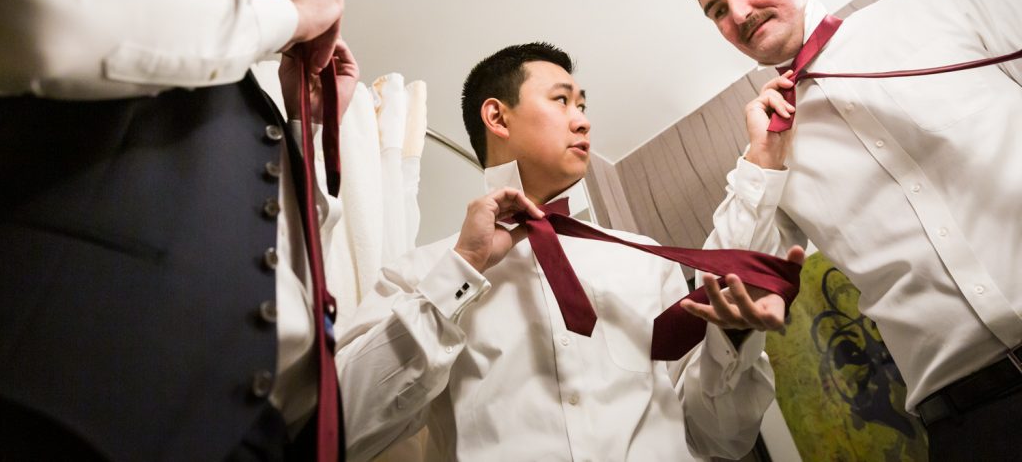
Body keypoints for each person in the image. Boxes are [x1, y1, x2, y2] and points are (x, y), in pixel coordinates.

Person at [0, 0, 356, 460]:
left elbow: (269, 277)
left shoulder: (254, 94)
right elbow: (48, 13)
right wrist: (290, 15)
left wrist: (302, 128)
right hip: (62, 407)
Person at [336, 42, 802, 462]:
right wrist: (461, 269)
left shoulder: (644, 260)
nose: (583, 119)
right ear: (497, 117)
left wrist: (735, 342)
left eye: (582, 104)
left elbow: (720, 439)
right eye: (561, 100)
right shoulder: (419, 273)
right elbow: (344, 428)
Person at [683, 0, 1022, 461]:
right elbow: (721, 285)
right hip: (974, 423)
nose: (740, 13)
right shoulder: (770, 148)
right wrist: (762, 161)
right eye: (718, 11)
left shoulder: (938, 5)